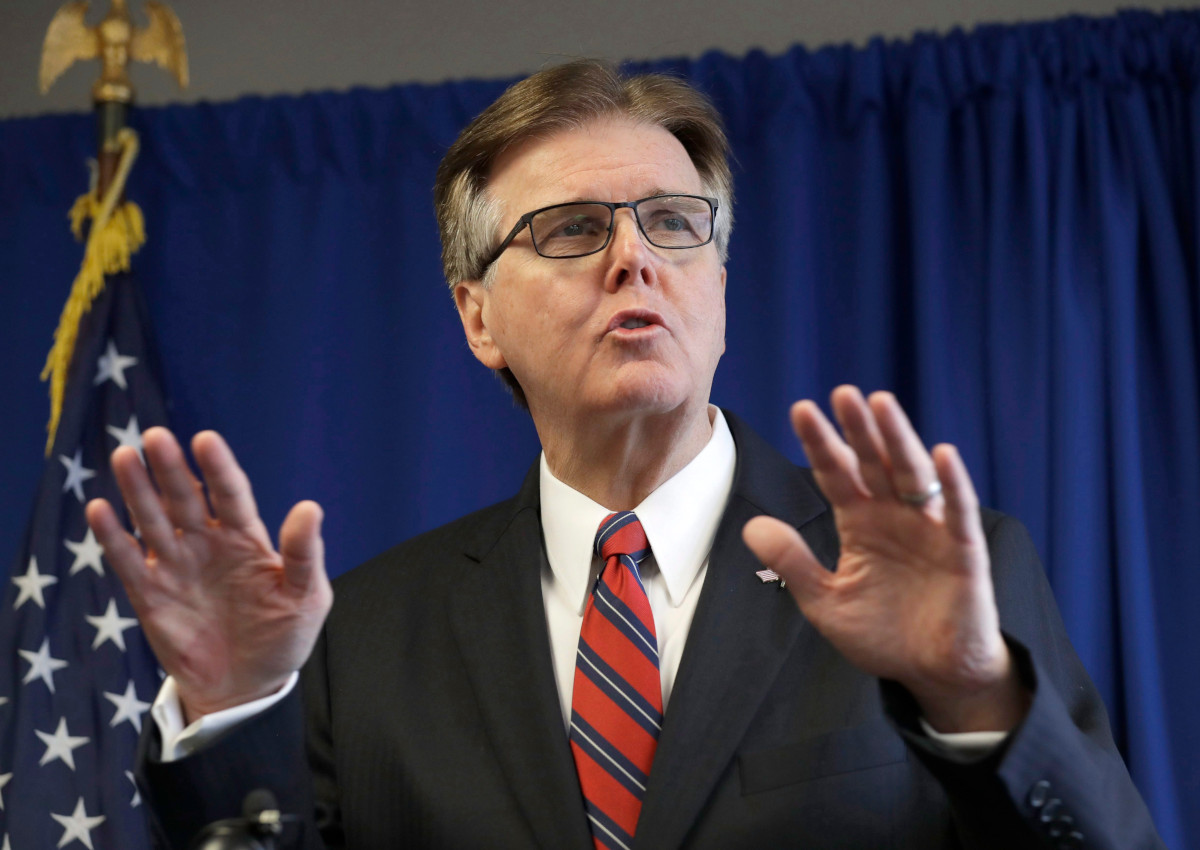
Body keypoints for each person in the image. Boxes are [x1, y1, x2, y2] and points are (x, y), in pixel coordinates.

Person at [87, 60, 1163, 849]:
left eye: (673, 222)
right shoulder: (357, 641)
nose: (633, 260)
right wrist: (233, 719)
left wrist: (973, 695)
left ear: (721, 286)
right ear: (477, 317)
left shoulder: (946, 576)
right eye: (569, 230)